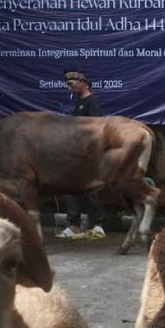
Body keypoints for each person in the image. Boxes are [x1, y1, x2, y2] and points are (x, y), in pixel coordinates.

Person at [57, 70, 106, 239]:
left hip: (89, 154)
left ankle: (98, 225)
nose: (68, 87)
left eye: (71, 84)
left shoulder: (92, 101)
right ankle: (74, 225)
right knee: (69, 187)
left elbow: (97, 128)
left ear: (82, 81)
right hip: (75, 153)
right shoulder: (78, 103)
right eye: (67, 84)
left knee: (89, 189)